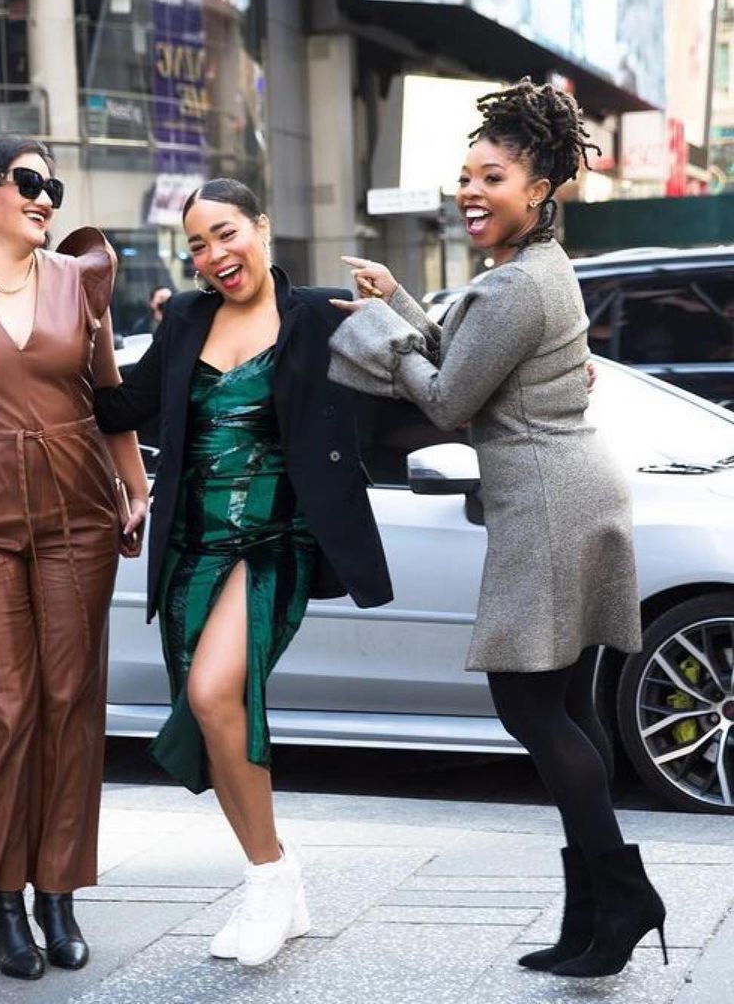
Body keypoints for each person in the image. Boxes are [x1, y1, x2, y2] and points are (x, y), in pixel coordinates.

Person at [328, 79, 666, 979]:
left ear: (540, 187)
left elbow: (448, 398)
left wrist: (378, 333)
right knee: (567, 710)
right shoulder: (539, 270)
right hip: (573, 489)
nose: (471, 191)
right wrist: (404, 303)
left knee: (529, 707)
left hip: (549, 502)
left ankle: (622, 898)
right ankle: (592, 915)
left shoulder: (516, 284)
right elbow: (471, 362)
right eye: (467, 176)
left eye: (493, 177)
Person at [93, 178, 392, 967]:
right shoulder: (187, 320)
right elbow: (120, 410)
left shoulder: (322, 315)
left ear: (261, 227)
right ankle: (277, 880)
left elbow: (428, 381)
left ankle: (267, 879)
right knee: (214, 715)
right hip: (191, 547)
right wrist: (74, 333)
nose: (215, 254)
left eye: (226, 233)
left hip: (275, 539)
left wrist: (401, 315)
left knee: (213, 692)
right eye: (198, 244)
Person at [0, 136, 148, 979]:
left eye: (53, 185)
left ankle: (58, 890)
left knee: (69, 699)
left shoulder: (78, 279)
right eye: (28, 182)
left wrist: (134, 487)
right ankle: (3, 893)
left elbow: (106, 393)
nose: (45, 196)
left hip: (77, 510)